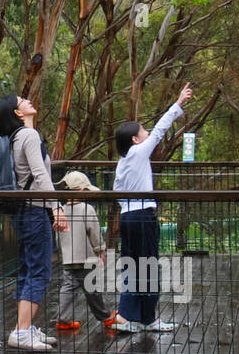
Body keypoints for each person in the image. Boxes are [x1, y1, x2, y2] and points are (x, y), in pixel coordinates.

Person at [111, 82, 192, 333]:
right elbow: (159, 131)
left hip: (127, 217)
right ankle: (137, 317)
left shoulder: (122, 162)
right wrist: (178, 103)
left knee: (134, 265)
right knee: (147, 265)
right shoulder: (137, 153)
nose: (147, 133)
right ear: (135, 139)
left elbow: (116, 192)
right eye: (142, 131)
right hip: (142, 216)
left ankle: (136, 316)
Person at [0, 94, 68, 352]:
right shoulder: (28, 136)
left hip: (23, 212)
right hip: (35, 212)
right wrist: (56, 206)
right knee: (39, 271)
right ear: (17, 113)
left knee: (28, 269)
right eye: (22, 100)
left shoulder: (16, 138)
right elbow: (40, 175)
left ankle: (22, 328)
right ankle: (22, 332)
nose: (28, 101)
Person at [53, 170, 116, 332]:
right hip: (86, 259)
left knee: (68, 288)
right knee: (92, 289)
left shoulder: (60, 212)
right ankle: (106, 317)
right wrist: (101, 251)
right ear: (81, 191)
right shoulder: (87, 209)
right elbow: (94, 233)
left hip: (68, 258)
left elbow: (58, 236)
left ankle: (63, 318)